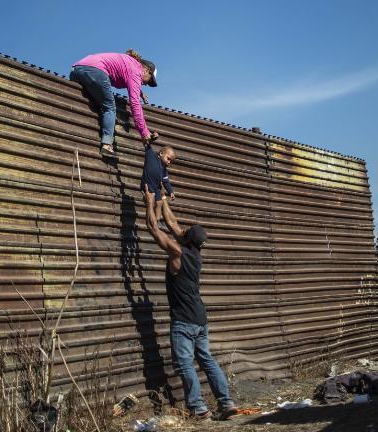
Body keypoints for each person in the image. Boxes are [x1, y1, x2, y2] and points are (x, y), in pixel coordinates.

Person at [143, 187, 239, 421]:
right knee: (206, 359)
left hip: (184, 321)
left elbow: (153, 228)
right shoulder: (194, 253)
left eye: (184, 231)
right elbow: (173, 223)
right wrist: (163, 200)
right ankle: (226, 403)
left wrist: (149, 202)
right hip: (200, 319)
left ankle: (198, 409)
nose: (180, 229)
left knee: (185, 364)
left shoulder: (177, 253)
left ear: (185, 238)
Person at [70, 49, 160, 159]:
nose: (146, 84)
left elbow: (126, 77)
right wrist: (144, 131)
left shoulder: (130, 64)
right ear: (146, 70)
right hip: (95, 71)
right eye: (149, 81)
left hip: (77, 69)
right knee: (110, 106)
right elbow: (135, 103)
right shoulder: (136, 70)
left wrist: (140, 93)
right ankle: (107, 145)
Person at [141, 144, 176, 227]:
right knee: (151, 202)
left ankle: (157, 220)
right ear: (161, 154)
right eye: (168, 159)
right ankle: (151, 220)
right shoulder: (152, 157)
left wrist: (170, 191)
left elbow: (166, 182)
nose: (169, 162)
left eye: (171, 161)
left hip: (156, 187)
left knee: (160, 202)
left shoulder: (164, 170)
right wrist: (150, 139)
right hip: (148, 184)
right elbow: (147, 145)